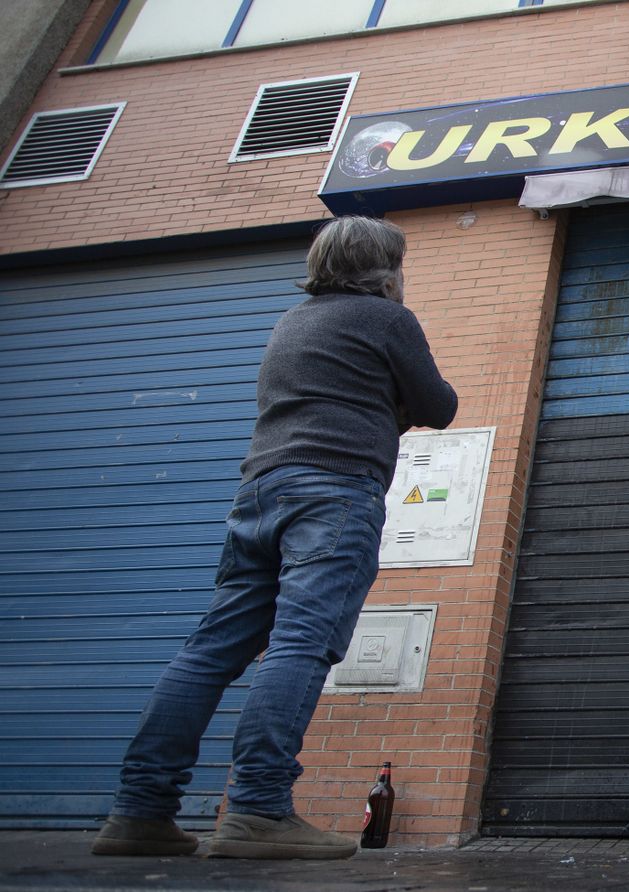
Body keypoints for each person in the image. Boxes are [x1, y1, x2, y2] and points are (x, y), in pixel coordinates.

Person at [91, 216, 457, 860]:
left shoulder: (293, 321)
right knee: (301, 643)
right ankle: (259, 810)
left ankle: (140, 810)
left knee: (210, 650)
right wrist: (393, 406)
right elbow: (439, 405)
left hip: (259, 494)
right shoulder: (386, 319)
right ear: (385, 272)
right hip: (334, 492)